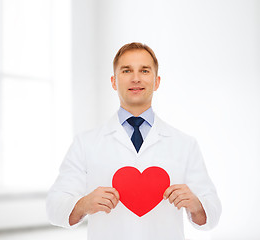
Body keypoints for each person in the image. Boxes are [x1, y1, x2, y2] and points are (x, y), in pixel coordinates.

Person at [46, 42, 221, 240]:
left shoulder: (185, 144)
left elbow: (213, 211)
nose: (136, 78)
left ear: (156, 82)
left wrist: (197, 205)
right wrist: (83, 204)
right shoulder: (85, 143)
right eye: (126, 70)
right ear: (113, 81)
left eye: (144, 71)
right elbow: (53, 206)